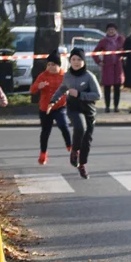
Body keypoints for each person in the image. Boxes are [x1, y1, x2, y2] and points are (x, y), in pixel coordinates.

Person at [49, 48, 101, 179]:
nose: (76, 62)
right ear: (70, 61)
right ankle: (74, 151)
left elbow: (98, 95)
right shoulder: (67, 75)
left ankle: (82, 164)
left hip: (88, 109)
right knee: (80, 127)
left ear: (83, 61)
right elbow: (62, 88)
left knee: (87, 140)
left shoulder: (89, 76)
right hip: (74, 107)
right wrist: (52, 101)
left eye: (79, 59)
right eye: (73, 59)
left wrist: (80, 94)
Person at [29, 53, 72, 165]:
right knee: (45, 131)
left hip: (59, 106)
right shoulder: (43, 76)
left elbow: (73, 88)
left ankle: (70, 145)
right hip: (45, 108)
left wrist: (69, 92)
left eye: (53, 64)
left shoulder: (65, 76)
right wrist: (39, 86)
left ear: (59, 65)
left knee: (64, 125)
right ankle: (43, 154)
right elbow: (32, 90)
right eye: (48, 64)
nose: (50, 67)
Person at [93, 22, 125, 113]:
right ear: (106, 31)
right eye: (109, 30)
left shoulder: (121, 39)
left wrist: (122, 52)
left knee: (117, 88)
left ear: (116, 30)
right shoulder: (103, 41)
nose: (111, 31)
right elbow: (95, 53)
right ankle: (107, 106)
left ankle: (116, 107)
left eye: (113, 29)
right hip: (107, 67)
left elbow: (126, 50)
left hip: (118, 67)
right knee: (107, 88)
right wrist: (99, 62)